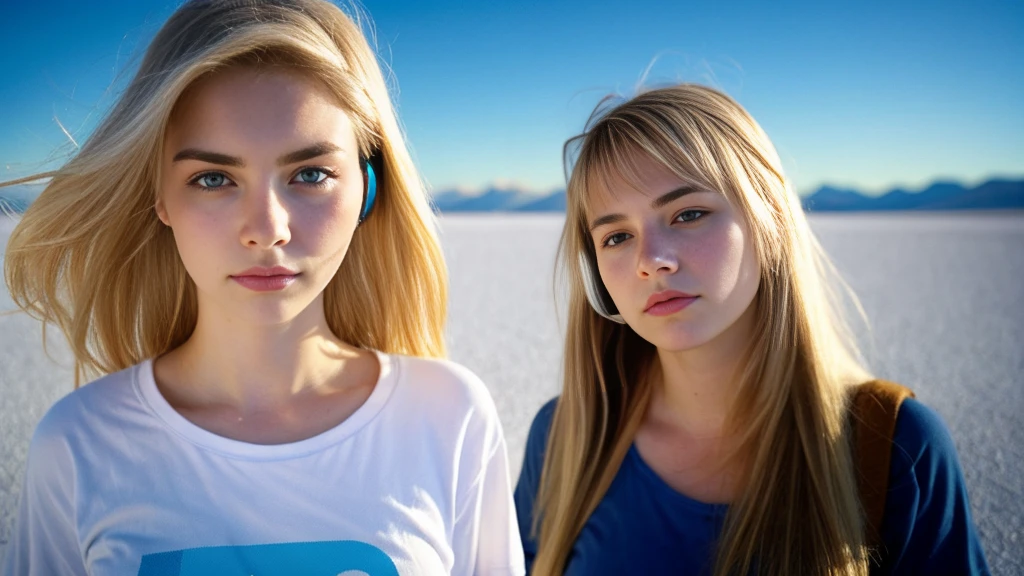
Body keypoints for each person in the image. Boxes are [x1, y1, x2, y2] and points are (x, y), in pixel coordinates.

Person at [2, 1, 524, 574]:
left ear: (368, 189)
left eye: (310, 174)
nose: (267, 229)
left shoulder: (448, 418)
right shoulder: (80, 447)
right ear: (161, 197)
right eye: (213, 179)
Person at [514, 84, 989, 575]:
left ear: (771, 221)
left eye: (688, 213)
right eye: (617, 236)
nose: (651, 260)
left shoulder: (895, 448)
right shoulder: (565, 437)